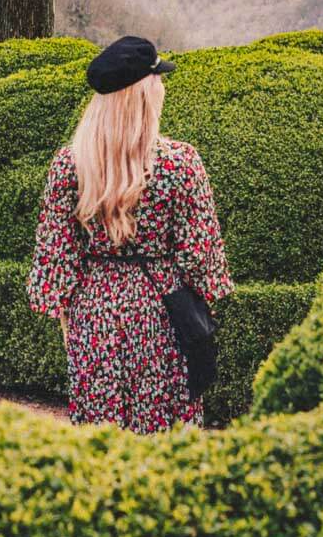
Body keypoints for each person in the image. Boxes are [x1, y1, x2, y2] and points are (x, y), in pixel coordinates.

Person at [26, 36, 234, 434]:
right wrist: (204, 303)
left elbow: (56, 258)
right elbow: (200, 255)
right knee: (164, 431)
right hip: (164, 308)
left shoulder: (71, 165)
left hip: (94, 309)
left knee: (100, 435)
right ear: (144, 94)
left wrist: (70, 317)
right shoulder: (180, 163)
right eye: (158, 79)